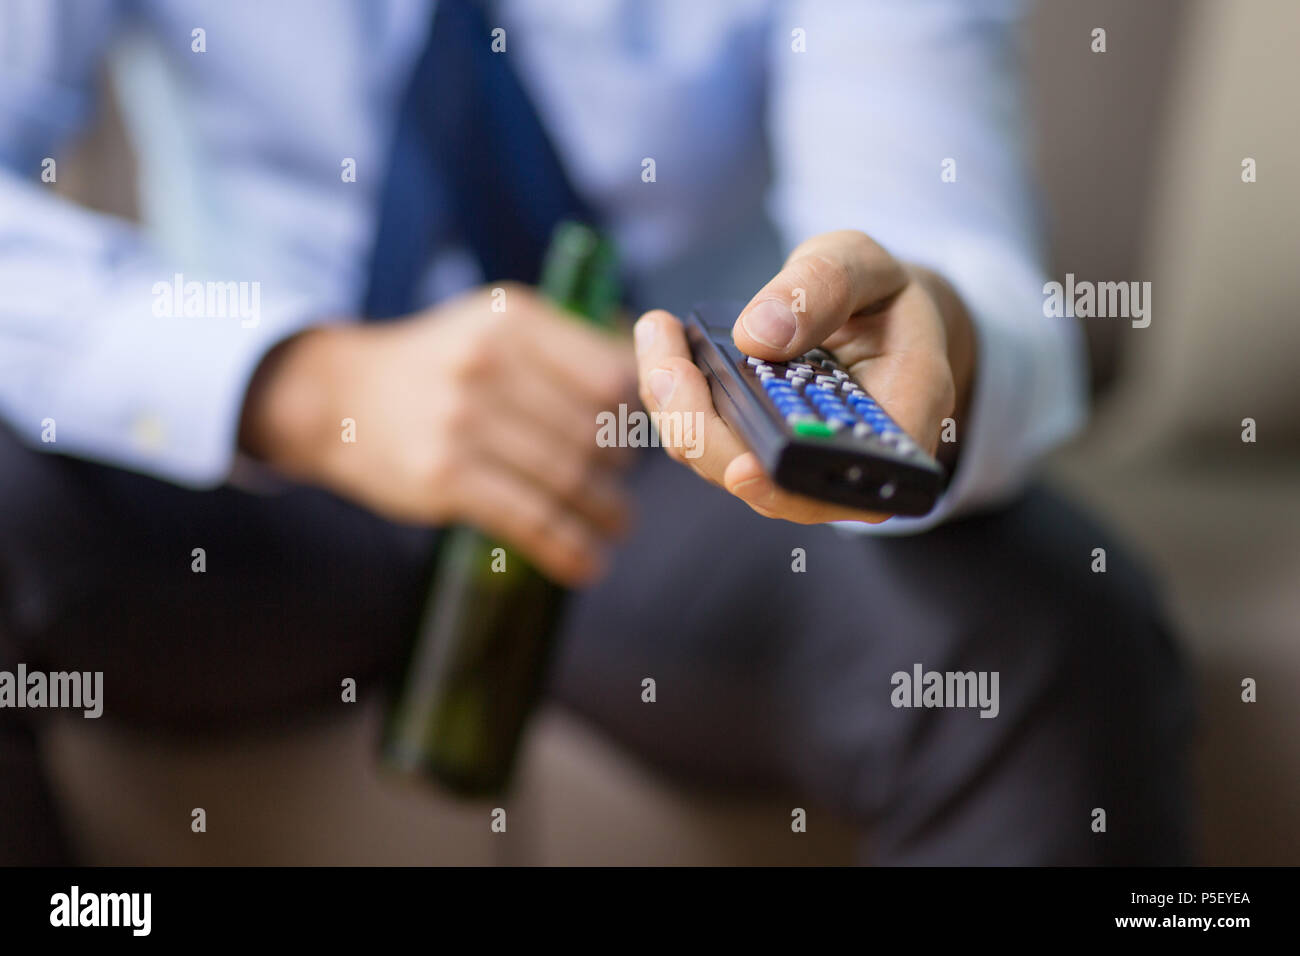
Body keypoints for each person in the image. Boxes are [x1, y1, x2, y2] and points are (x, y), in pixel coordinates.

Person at [0, 0, 1194, 864]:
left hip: (665, 465)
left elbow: (936, 219)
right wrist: (299, 386)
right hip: (255, 452)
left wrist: (939, 337)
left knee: (1033, 640)